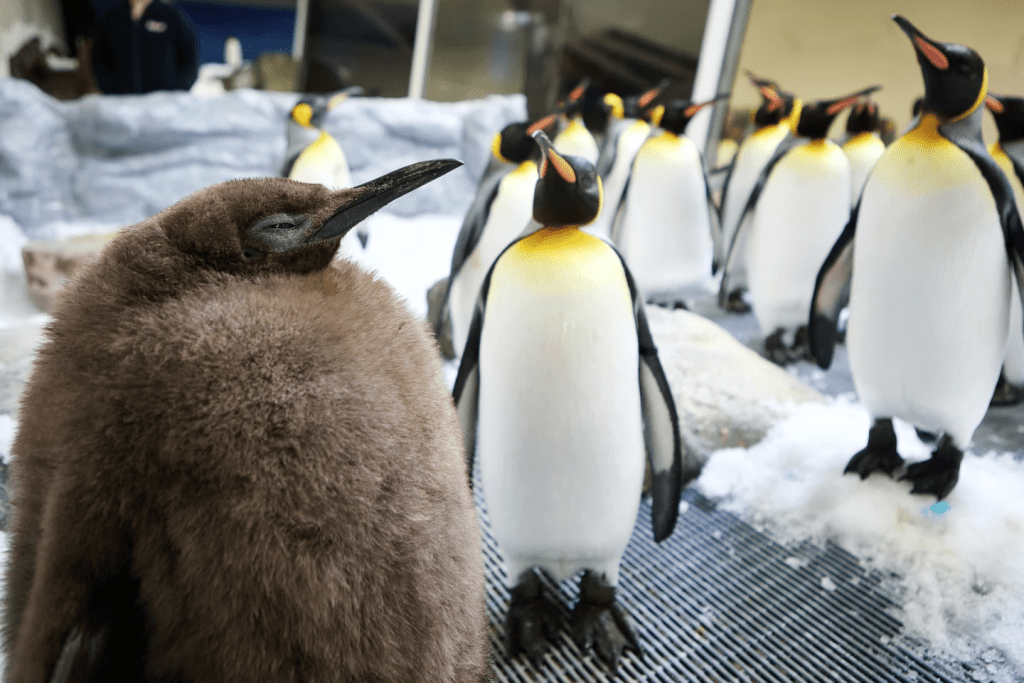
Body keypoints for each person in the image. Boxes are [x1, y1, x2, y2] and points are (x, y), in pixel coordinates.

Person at [91, 0, 199, 94]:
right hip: (122, 103)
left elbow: (189, 57)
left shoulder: (171, 16)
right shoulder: (113, 17)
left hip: (162, 105)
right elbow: (99, 57)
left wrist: (178, 90)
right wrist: (108, 87)